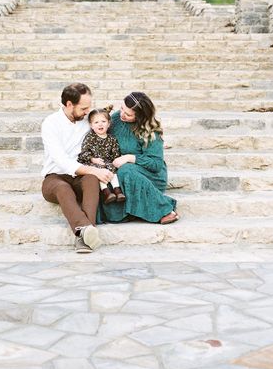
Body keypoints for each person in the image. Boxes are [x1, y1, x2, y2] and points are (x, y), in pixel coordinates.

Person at [41, 83, 113, 253]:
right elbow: (61, 161)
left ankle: (84, 236)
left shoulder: (86, 121)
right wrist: (95, 169)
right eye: (84, 108)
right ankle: (86, 230)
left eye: (89, 107)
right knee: (63, 187)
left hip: (81, 177)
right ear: (69, 105)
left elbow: (106, 120)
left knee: (91, 179)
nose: (88, 111)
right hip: (54, 177)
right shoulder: (51, 123)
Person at [101, 91, 179, 225]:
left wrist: (129, 157)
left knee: (126, 171)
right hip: (120, 172)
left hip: (150, 175)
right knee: (107, 182)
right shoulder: (116, 119)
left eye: (128, 114)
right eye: (122, 109)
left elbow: (156, 164)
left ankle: (164, 209)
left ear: (140, 116)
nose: (122, 115)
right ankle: (132, 212)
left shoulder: (150, 131)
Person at [77, 106, 126, 205]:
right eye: (96, 122)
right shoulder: (90, 137)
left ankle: (117, 191)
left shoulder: (112, 139)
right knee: (99, 172)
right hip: (93, 163)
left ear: (109, 124)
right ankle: (107, 192)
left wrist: (115, 161)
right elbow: (84, 152)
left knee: (112, 171)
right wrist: (93, 159)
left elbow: (115, 153)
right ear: (91, 125)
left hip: (107, 163)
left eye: (103, 121)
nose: (100, 124)